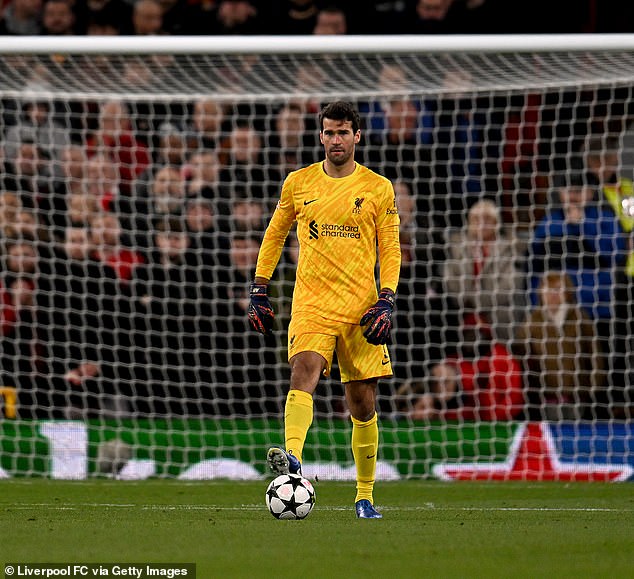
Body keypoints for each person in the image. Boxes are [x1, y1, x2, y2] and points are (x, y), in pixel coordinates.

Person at [247, 101, 401, 519]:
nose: (336, 139)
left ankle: (365, 495)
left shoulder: (378, 188)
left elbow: (389, 247)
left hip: (361, 310)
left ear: (357, 136)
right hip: (312, 303)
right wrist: (260, 287)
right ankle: (293, 460)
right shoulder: (299, 183)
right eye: (329, 132)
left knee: (362, 404)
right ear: (321, 136)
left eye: (343, 132)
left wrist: (387, 297)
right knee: (303, 370)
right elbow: (275, 234)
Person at [513, 270, 606, 420]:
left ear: (567, 292)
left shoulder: (580, 317)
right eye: (548, 289)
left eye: (557, 289)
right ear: (541, 293)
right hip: (547, 396)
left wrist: (593, 387)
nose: (552, 294)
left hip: (578, 395)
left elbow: (595, 354)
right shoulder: (532, 321)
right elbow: (521, 357)